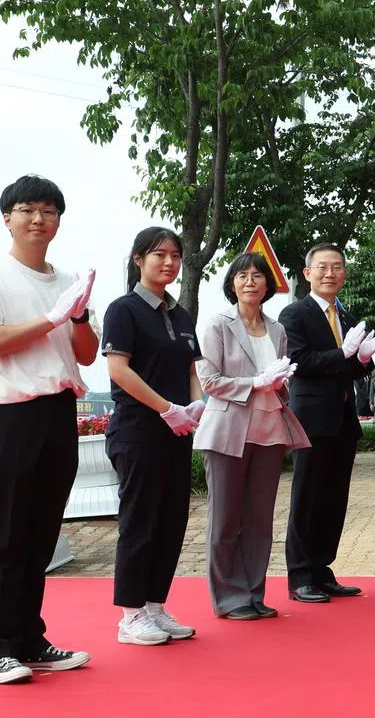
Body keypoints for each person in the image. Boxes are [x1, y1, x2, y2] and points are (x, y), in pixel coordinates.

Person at [0, 176, 95, 683]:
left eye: (49, 211)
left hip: (59, 409)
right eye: (27, 209)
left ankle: (28, 639)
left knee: (41, 532)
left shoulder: (68, 279)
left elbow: (85, 353)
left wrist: (76, 316)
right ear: (7, 218)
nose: (39, 219)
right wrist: (48, 319)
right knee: (7, 532)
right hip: (11, 413)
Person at [193, 253, 310, 621]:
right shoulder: (217, 324)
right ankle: (228, 597)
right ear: (231, 284)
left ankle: (253, 592)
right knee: (225, 517)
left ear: (268, 285)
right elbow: (209, 380)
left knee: (260, 518)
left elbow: (278, 381)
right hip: (228, 429)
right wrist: (254, 383)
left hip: (269, 429)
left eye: (257, 276)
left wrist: (277, 383)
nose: (250, 282)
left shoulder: (277, 330)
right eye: (242, 276)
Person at [102, 227, 204, 645]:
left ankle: (155, 607)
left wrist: (195, 406)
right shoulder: (123, 310)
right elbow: (118, 370)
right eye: (158, 254)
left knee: (171, 519)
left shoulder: (180, 315)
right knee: (140, 520)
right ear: (138, 259)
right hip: (139, 431)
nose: (168, 262)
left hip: (178, 432)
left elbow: (192, 369)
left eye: (175, 256)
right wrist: (166, 408)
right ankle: (130, 614)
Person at [278, 243, 375, 603]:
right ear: (307, 273)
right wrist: (343, 353)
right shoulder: (294, 315)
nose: (330, 274)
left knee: (334, 499)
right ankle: (300, 575)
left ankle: (322, 570)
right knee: (307, 497)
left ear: (345, 273)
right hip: (311, 420)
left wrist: (363, 361)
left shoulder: (347, 315)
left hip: (343, 419)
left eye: (337, 267)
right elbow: (299, 361)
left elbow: (349, 367)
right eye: (322, 267)